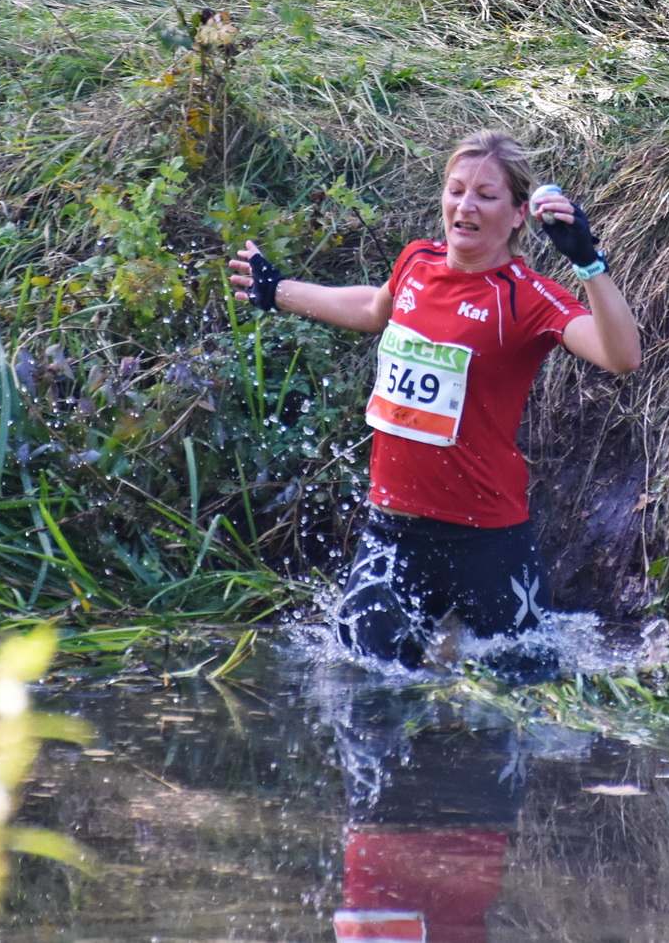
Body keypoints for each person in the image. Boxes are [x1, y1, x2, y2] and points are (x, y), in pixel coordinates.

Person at [228, 130, 641, 672]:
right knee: (365, 701)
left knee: (518, 712)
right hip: (392, 531)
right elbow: (374, 309)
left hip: (487, 540)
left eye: (486, 196)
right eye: (455, 190)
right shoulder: (417, 262)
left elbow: (621, 356)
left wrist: (589, 263)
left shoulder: (527, 296)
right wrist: (277, 289)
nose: (465, 206)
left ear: (519, 214)